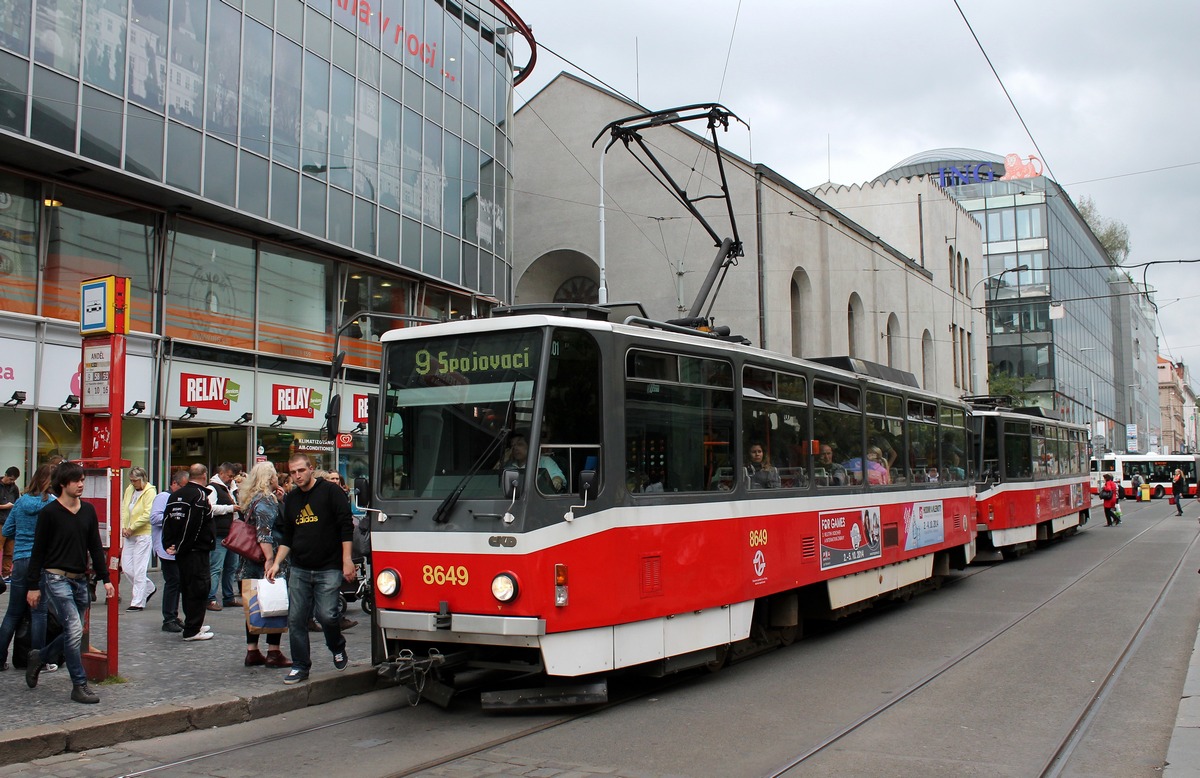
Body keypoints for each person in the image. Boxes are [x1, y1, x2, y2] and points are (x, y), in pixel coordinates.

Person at [25, 462, 114, 704]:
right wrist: (33, 586)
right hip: (55, 577)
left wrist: (105, 578)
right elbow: (38, 551)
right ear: (63, 484)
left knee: (75, 631)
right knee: (74, 629)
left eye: (83, 480)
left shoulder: (87, 510)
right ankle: (79, 684)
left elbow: (95, 546)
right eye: (76, 481)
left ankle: (40, 656)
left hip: (80, 580)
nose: (81, 484)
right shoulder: (49, 513)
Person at [267, 453, 354, 685]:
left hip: (329, 567)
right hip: (300, 568)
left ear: (311, 469)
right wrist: (276, 563)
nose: (297, 476)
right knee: (296, 619)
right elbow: (288, 535)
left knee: (326, 615)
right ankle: (300, 665)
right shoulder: (292, 499)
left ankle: (337, 646)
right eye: (293, 472)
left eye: (301, 471)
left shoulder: (330, 491)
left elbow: (346, 526)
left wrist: (347, 559)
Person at [236, 462, 292, 669]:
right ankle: (273, 652)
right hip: (266, 559)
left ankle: (252, 650)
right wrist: (271, 560)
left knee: (253, 605)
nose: (277, 478)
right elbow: (264, 533)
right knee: (274, 602)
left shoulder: (251, 499)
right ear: (270, 478)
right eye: (275, 475)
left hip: (249, 560)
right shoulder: (267, 500)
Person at [0, 465, 56, 670]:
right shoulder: (51, 504)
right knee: (39, 613)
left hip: (20, 560)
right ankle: (38, 660)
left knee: (13, 613)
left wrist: (23, 538)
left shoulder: (21, 501)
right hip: (41, 562)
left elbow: (7, 529)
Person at [166, 464, 218, 641]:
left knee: (188, 587)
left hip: (183, 550)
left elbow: (168, 520)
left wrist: (170, 543)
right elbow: (193, 526)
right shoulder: (199, 496)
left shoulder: (175, 495)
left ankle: (193, 623)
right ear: (204, 475)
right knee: (199, 587)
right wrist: (182, 545)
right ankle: (193, 629)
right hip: (195, 549)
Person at [150, 470, 189, 632]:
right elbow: (154, 518)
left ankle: (173, 614)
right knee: (173, 582)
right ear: (174, 484)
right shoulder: (163, 497)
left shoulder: (178, 498)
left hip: (176, 547)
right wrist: (173, 516)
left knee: (178, 582)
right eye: (182, 487)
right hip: (166, 547)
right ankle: (169, 618)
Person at [120, 467, 158, 611]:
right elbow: (124, 508)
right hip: (130, 532)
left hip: (143, 533)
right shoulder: (130, 489)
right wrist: (125, 526)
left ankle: (137, 601)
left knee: (139, 568)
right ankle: (148, 588)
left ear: (142, 479)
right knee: (127, 567)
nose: (133, 483)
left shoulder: (150, 491)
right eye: (131, 480)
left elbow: (147, 513)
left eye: (135, 480)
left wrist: (132, 527)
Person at [207, 463, 241, 612]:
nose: (231, 479)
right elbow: (210, 508)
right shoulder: (213, 488)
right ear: (221, 473)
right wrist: (230, 508)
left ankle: (229, 596)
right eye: (229, 476)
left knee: (231, 567)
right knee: (216, 567)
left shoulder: (230, 488)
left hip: (231, 533)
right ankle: (210, 598)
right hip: (220, 533)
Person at [0, 466, 20, 582]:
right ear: (6, 475)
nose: (12, 482)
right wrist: (5, 506)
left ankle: (6, 574)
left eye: (14, 480)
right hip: (0, 521)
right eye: (10, 479)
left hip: (11, 521)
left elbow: (17, 502)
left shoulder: (14, 488)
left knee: (9, 550)